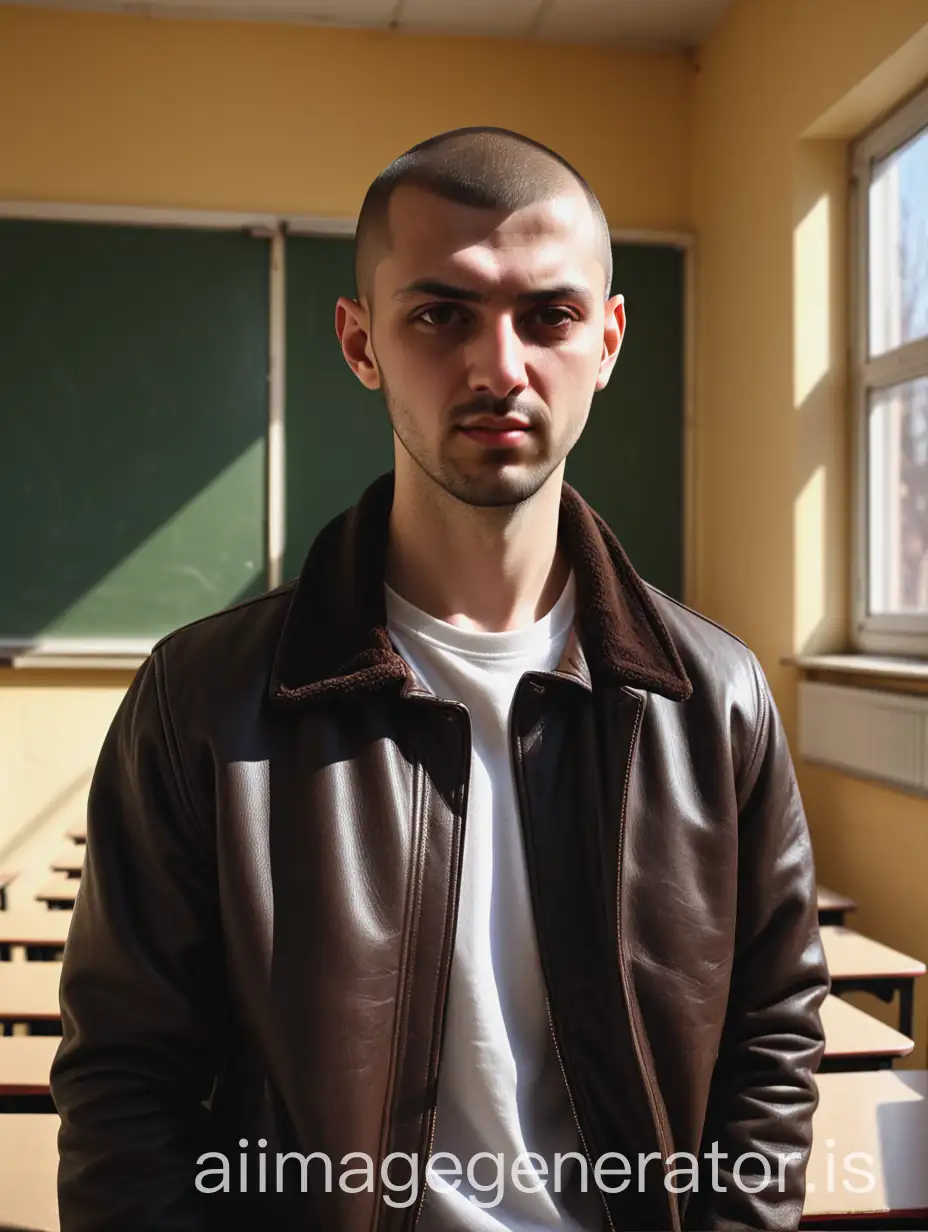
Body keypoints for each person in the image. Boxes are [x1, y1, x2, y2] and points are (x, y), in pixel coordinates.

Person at [51, 127, 830, 1232]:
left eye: (548, 316)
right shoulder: (200, 703)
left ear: (607, 340)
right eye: (440, 314)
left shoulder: (716, 701)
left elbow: (773, 1029)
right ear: (360, 342)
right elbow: (125, 1081)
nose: (498, 366)